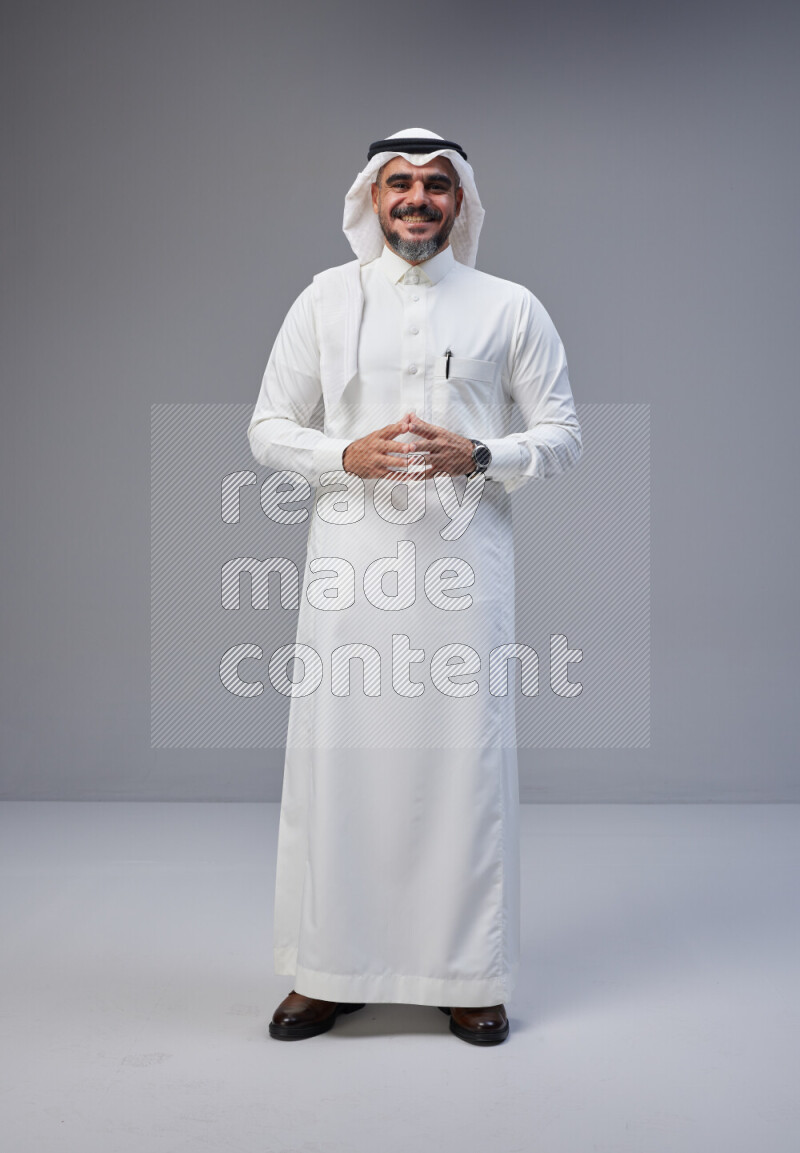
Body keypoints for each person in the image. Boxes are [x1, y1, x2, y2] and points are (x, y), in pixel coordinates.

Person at [247, 127, 582, 1045]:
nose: (418, 199)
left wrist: (480, 451)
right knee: (340, 763)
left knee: (459, 767)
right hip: (350, 572)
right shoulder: (324, 300)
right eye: (400, 183)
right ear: (371, 197)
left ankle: (467, 972)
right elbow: (268, 427)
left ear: (462, 201)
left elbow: (562, 434)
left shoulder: (508, 306)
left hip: (464, 574)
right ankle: (328, 970)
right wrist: (339, 452)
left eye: (437, 185)